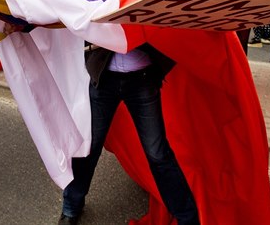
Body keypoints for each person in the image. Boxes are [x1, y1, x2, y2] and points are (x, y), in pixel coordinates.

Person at [59, 44, 199, 225]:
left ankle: (187, 217)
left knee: (158, 154)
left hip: (142, 79)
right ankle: (71, 206)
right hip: (104, 78)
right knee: (88, 147)